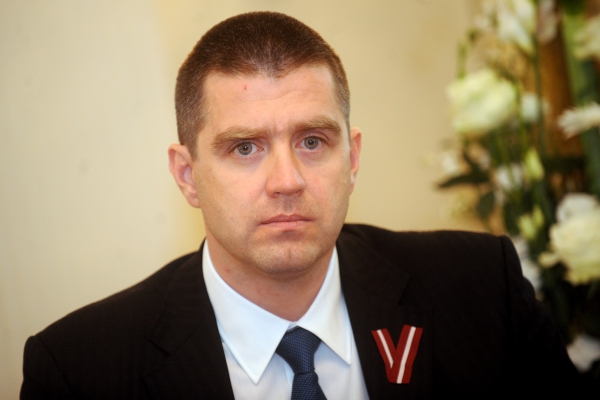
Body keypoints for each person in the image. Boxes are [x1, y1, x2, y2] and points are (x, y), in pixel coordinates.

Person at [21, 11, 580, 399]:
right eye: (245, 148)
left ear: (352, 159)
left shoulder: (482, 290)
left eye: (313, 141)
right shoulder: (80, 370)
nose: (287, 181)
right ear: (187, 176)